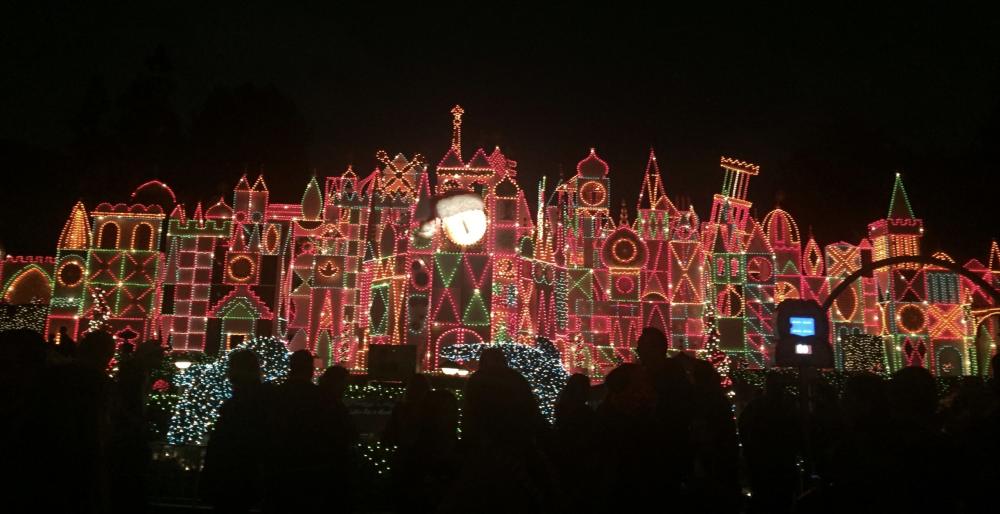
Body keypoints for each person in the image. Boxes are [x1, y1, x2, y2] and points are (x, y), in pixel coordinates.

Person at [202, 350, 271, 514]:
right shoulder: (265, 399)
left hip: (233, 477)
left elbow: (221, 443)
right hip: (252, 476)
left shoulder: (237, 404)